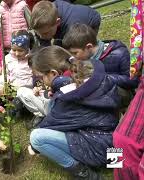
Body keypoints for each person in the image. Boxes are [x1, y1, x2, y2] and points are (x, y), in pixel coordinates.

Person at [28, 46, 120, 179]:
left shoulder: (67, 97)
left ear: (53, 73)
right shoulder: (89, 74)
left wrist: (33, 147)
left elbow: (49, 124)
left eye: (41, 77)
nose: (41, 81)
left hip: (101, 151)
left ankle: (85, 174)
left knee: (36, 137)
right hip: (115, 145)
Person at [62, 23, 139, 111]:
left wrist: (103, 78)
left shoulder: (119, 54)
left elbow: (133, 81)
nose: (73, 57)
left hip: (121, 97)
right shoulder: (83, 58)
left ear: (89, 47)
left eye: (75, 53)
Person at [112, 1, 144, 179]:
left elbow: (129, 81)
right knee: (116, 140)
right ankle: (114, 173)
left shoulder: (115, 53)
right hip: (111, 134)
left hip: (98, 138)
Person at [31, 0, 101, 47]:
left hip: (90, 22)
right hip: (65, 25)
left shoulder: (72, 27)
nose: (41, 37)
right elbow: (44, 41)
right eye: (38, 33)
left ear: (57, 22)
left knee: (80, 49)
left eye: (45, 33)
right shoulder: (43, 24)